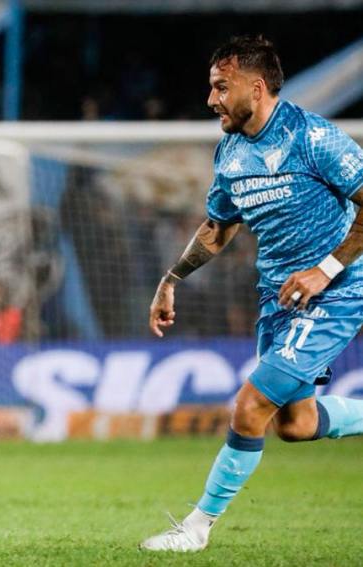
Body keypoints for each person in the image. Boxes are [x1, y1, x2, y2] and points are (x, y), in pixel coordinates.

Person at [142, 35, 363, 552]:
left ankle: (196, 527)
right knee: (296, 424)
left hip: (336, 291)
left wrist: (325, 270)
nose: (211, 99)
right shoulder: (231, 151)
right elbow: (218, 228)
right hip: (280, 298)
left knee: (250, 404)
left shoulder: (314, 137)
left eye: (222, 87)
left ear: (256, 88)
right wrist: (171, 279)